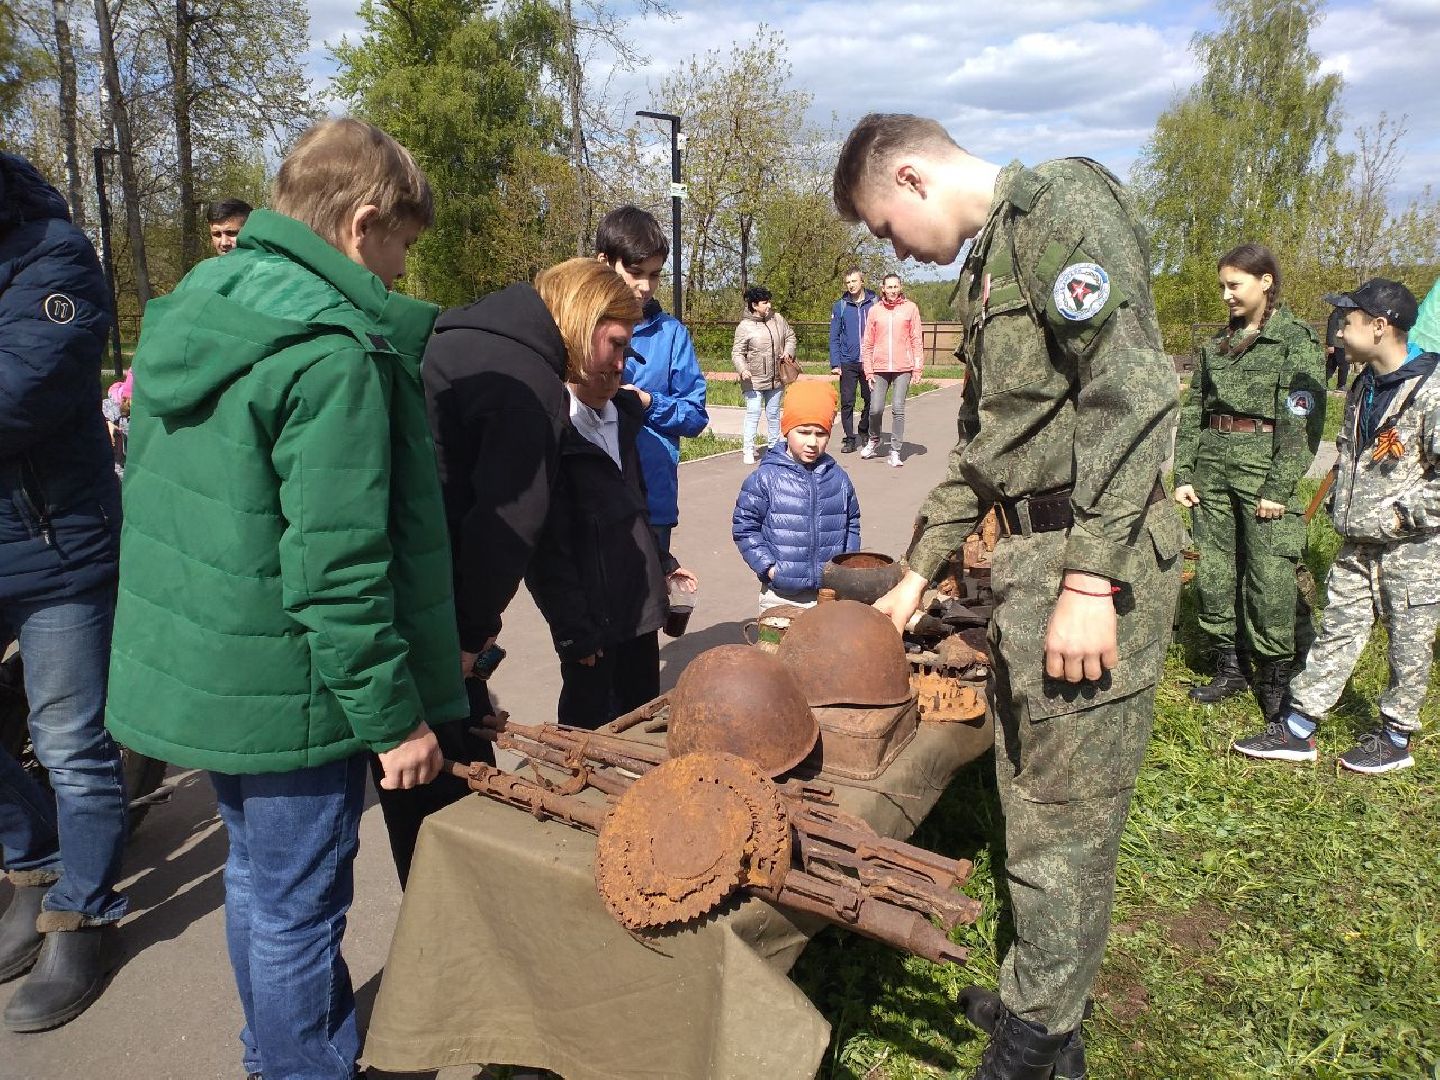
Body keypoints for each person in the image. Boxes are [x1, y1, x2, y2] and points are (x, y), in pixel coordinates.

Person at [105, 119, 466, 1080]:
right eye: (400, 247)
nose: (399, 274)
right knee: (300, 907)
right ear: (360, 224)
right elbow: (338, 570)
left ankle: (275, 1053)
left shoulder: (203, 303)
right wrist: (396, 724)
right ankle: (300, 1065)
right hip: (291, 688)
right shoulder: (331, 350)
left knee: (261, 889)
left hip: (215, 671)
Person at [833, 113, 1186, 1080]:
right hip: (1033, 568)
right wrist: (916, 573)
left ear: (909, 176)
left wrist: (1090, 578)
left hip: (1084, 565)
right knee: (1029, 804)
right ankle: (1045, 1002)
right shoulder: (997, 264)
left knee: (1067, 819)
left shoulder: (1062, 208)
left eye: (884, 226)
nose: (892, 247)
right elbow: (989, 453)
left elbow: (1134, 390)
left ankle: (1037, 1043)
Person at [0, 153, 128, 1034]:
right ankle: (32, 856)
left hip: (57, 546)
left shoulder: (55, 253)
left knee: (70, 740)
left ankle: (83, 911)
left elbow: (23, 388)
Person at [1233, 279, 1438, 773]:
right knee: (1338, 630)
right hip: (1357, 539)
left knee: (1408, 641)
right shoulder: (1365, 383)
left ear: (1380, 326)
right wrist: (1342, 505)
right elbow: (1349, 451)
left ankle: (1396, 737)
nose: (1341, 332)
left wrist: (1395, 516)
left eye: (1348, 322)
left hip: (1412, 549)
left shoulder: (1432, 391)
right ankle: (1300, 728)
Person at [524, 258, 696, 729]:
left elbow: (633, 508)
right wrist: (572, 629)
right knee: (589, 732)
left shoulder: (623, 418)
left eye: (629, 350)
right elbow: (545, 548)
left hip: (638, 611)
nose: (622, 366)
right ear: (577, 336)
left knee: (639, 720)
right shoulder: (549, 428)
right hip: (589, 628)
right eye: (615, 347)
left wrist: (663, 565)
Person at [1172, 244, 1326, 721]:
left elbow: (1303, 422)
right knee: (1216, 571)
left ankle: (1277, 674)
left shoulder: (1293, 340)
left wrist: (1279, 489)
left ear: (1265, 282)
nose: (1225, 296)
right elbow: (1195, 407)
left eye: (1233, 285)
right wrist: (1183, 472)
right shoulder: (1217, 344)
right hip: (1213, 470)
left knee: (1270, 577)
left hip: (1263, 471)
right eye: (1222, 285)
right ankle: (1230, 665)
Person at [594, 206, 709, 555]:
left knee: (650, 603)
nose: (645, 286)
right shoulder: (577, 327)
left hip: (651, 499)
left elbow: (695, 415)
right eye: (635, 272)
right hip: (589, 496)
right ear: (604, 262)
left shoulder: (671, 335)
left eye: (655, 274)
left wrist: (648, 403)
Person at [732, 380, 860, 613]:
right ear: (786, 429)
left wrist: (845, 567)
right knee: (777, 648)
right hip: (781, 596)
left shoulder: (839, 479)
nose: (812, 442)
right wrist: (769, 567)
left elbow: (852, 523)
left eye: (821, 434)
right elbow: (744, 527)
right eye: (803, 432)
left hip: (829, 595)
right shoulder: (765, 478)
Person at [860, 272, 924, 466]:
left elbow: (916, 339)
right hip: (879, 367)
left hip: (902, 367)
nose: (893, 291)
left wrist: (917, 368)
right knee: (875, 409)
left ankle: (895, 450)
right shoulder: (875, 311)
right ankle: (874, 439)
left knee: (898, 408)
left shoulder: (910, 308)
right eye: (889, 287)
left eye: (896, 287)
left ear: (900, 288)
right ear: (883, 289)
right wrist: (868, 370)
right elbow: (868, 343)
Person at [731, 285, 796, 464]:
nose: (769, 305)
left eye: (769, 301)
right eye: (764, 302)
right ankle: (748, 449)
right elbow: (737, 353)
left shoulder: (778, 319)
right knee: (753, 412)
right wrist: (743, 369)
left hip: (776, 377)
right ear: (754, 305)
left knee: (773, 413)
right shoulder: (744, 327)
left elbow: (790, 336)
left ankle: (774, 448)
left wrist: (788, 352)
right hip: (753, 379)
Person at [829, 267, 876, 453]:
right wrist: (835, 362)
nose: (851, 285)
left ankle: (864, 428)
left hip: (870, 361)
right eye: (848, 282)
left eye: (854, 281)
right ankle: (849, 438)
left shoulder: (875, 303)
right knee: (847, 401)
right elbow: (834, 336)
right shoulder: (840, 306)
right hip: (847, 361)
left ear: (862, 281)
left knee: (871, 399)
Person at [1324, 304, 1349, 390]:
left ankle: (1323, 381)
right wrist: (1330, 344)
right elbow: (1331, 329)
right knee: (1344, 365)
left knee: (1331, 365)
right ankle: (1341, 385)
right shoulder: (1336, 314)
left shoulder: (1347, 313)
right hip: (1337, 344)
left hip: (1343, 343)